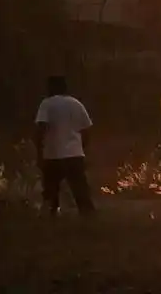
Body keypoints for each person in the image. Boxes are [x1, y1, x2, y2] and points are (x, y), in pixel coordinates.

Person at [34, 75, 96, 216]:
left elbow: (41, 128)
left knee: (50, 192)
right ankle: (88, 218)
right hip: (74, 154)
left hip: (53, 154)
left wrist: (39, 152)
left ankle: (51, 217)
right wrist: (81, 147)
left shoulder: (47, 104)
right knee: (80, 191)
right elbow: (86, 130)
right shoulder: (76, 104)